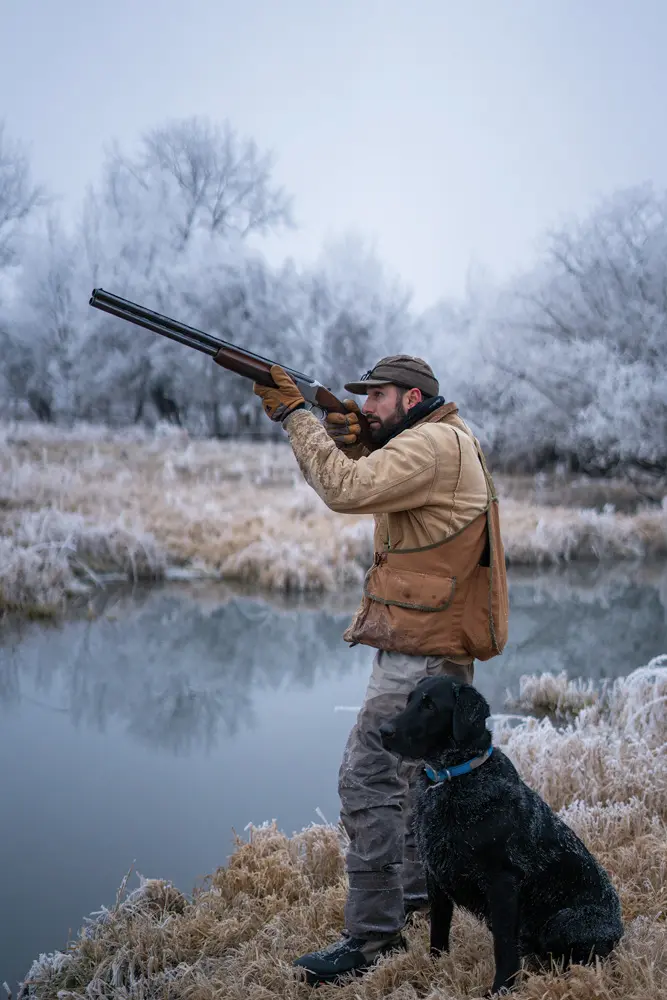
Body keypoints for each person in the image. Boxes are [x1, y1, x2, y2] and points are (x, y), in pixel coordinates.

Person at [253, 354, 509, 986]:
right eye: (361, 399)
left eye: (377, 398)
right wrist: (367, 436)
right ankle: (418, 901)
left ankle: (371, 939)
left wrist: (295, 413)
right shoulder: (446, 437)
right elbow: (382, 474)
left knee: (368, 777)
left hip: (419, 646)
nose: (365, 406)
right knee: (422, 779)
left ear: (413, 398)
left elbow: (343, 488)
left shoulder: (429, 446)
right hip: (437, 636)